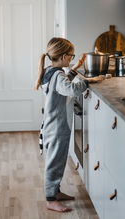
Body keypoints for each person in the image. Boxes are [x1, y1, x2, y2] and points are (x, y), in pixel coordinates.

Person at [34, 37, 89, 213]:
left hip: (51, 125)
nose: (72, 59)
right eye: (72, 57)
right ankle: (50, 199)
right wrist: (87, 82)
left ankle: (55, 192)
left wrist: (76, 67)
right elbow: (71, 89)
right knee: (54, 163)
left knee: (57, 161)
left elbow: (63, 82)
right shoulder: (57, 75)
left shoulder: (50, 71)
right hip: (57, 127)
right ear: (64, 56)